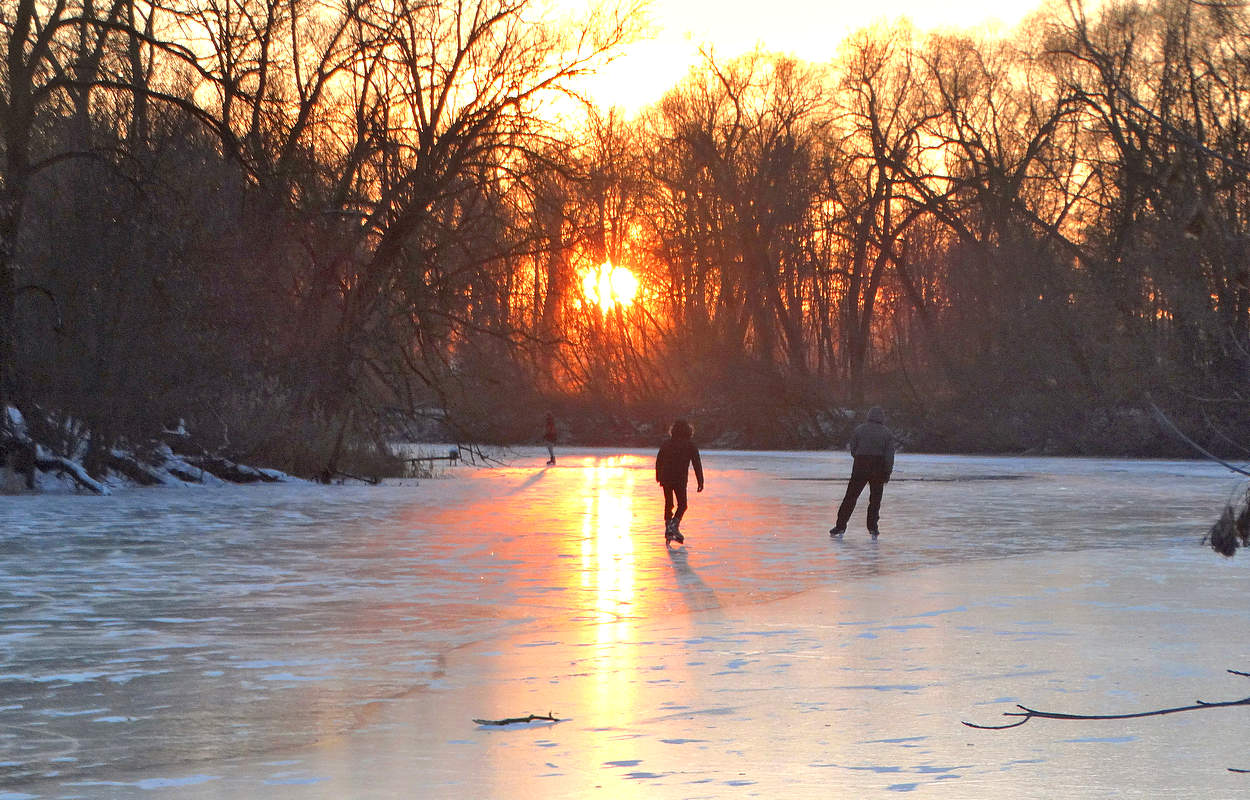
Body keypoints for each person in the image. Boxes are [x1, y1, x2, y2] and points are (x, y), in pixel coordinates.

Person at [830, 406, 895, 539]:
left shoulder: (859, 429)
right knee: (875, 500)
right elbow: (889, 456)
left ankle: (840, 526)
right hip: (878, 466)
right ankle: (873, 528)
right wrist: (887, 472)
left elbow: (853, 448)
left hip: (861, 465)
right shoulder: (887, 433)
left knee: (850, 497)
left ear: (869, 416)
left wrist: (860, 457)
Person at [655, 419, 704, 544]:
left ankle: (669, 528)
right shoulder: (690, 445)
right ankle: (673, 526)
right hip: (680, 479)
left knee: (669, 504)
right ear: (688, 431)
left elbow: (659, 460)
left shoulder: (667, 444)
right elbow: (697, 464)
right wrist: (700, 481)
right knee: (682, 505)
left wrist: (658, 476)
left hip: (666, 478)